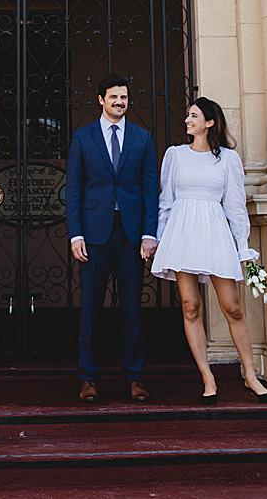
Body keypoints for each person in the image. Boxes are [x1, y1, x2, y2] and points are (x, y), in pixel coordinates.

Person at [151, 97, 267, 404]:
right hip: (182, 233)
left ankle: (249, 374)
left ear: (209, 122)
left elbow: (234, 205)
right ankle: (207, 378)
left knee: (232, 306)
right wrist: (160, 238)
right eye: (188, 115)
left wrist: (242, 247)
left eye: (193, 116)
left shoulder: (228, 159)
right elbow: (166, 200)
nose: (187, 120)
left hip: (215, 231)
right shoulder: (175, 155)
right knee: (190, 306)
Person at [62, 74, 162, 403]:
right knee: (91, 306)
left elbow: (150, 189)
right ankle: (88, 377)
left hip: (131, 233)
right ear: (100, 100)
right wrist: (75, 233)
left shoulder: (143, 138)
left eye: (124, 98)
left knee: (132, 307)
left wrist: (150, 233)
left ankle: (135, 377)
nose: (120, 102)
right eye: (114, 97)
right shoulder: (83, 137)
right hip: (93, 233)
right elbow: (74, 190)